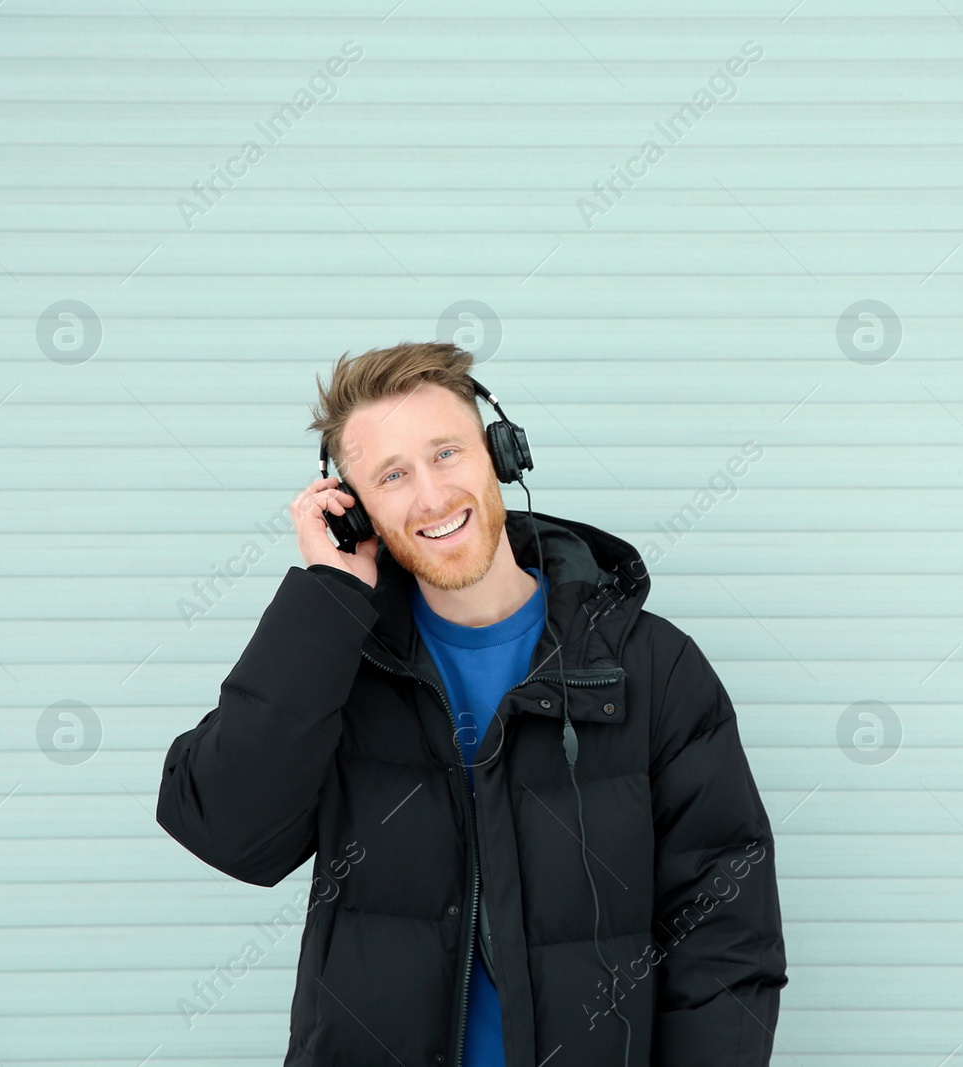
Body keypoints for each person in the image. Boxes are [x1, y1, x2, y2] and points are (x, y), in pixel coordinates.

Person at [155, 341, 786, 1066]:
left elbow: (725, 935)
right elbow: (228, 831)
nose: (430, 495)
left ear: (500, 454)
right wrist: (326, 597)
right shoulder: (335, 668)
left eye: (447, 453)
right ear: (353, 511)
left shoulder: (652, 668)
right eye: (392, 475)